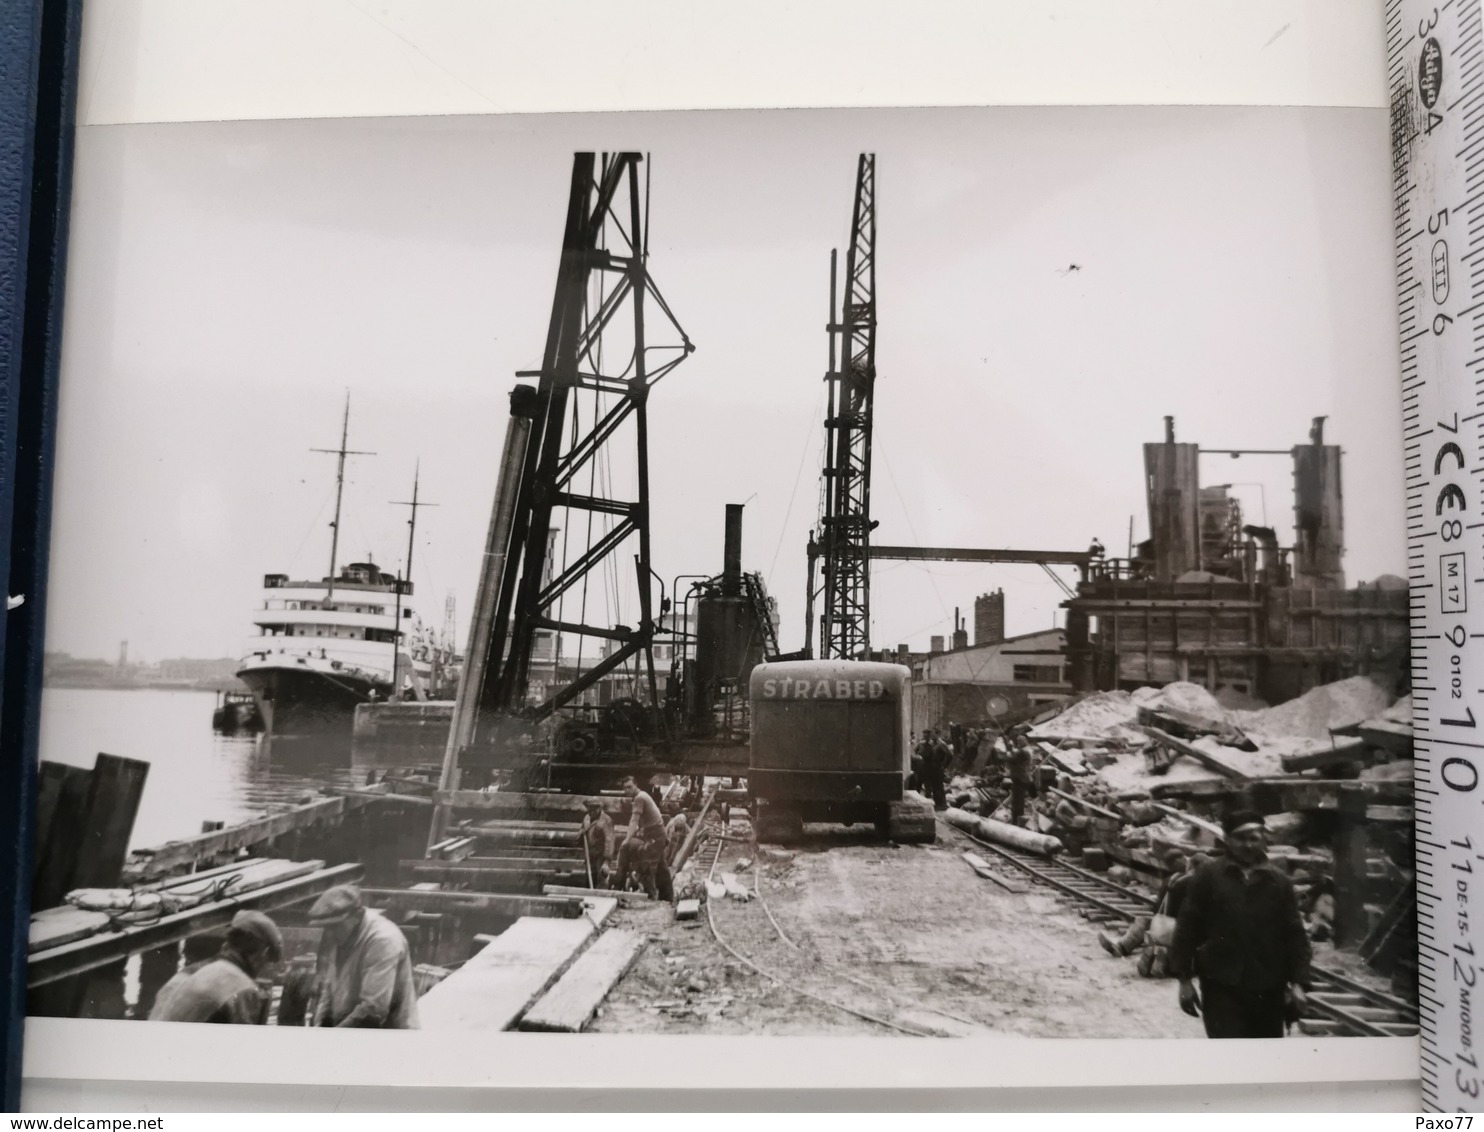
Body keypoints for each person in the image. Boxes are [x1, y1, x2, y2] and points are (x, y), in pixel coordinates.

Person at [1170, 811, 1312, 1038]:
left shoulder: (1280, 882)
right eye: (1240, 838)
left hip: (1269, 988)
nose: (1247, 845)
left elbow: (1295, 935)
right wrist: (1184, 981)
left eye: (1254, 838)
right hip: (1221, 986)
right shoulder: (1208, 876)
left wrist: (1299, 983)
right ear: (1227, 839)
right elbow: (1187, 928)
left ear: (1263, 840)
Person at [307, 884, 420, 1029]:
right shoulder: (340, 935)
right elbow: (329, 994)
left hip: (388, 1038)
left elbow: (373, 1011)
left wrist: (331, 1038)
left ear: (358, 915)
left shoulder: (383, 940)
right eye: (326, 928)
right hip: (348, 1032)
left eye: (335, 927)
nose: (329, 934)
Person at [149, 910, 283, 1024]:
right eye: (267, 962)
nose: (262, 970)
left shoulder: (192, 970)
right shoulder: (242, 987)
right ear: (263, 953)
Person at [613, 775, 673, 901]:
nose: (627, 790)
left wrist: (627, 840)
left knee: (648, 865)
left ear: (636, 785)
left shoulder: (640, 798)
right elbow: (644, 821)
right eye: (625, 788)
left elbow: (634, 820)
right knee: (661, 866)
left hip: (655, 835)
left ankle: (651, 897)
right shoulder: (642, 796)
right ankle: (667, 897)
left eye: (630, 787)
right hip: (656, 834)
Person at [579, 797, 616, 887]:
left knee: (602, 880)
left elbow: (609, 841)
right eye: (589, 808)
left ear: (599, 808)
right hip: (590, 855)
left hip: (601, 857)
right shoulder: (587, 818)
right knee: (590, 879)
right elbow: (581, 833)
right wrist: (581, 833)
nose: (591, 811)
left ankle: (602, 899)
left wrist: (606, 861)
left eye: (594, 809)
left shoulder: (606, 820)